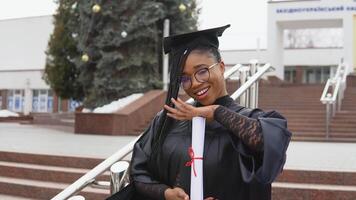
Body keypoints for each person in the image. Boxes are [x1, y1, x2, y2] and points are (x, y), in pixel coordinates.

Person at [128, 24, 291, 200]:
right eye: (185, 78)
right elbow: (139, 173)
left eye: (202, 71)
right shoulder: (168, 121)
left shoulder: (249, 121)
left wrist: (215, 112)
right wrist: (166, 193)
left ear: (221, 67)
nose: (195, 83)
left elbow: (269, 143)